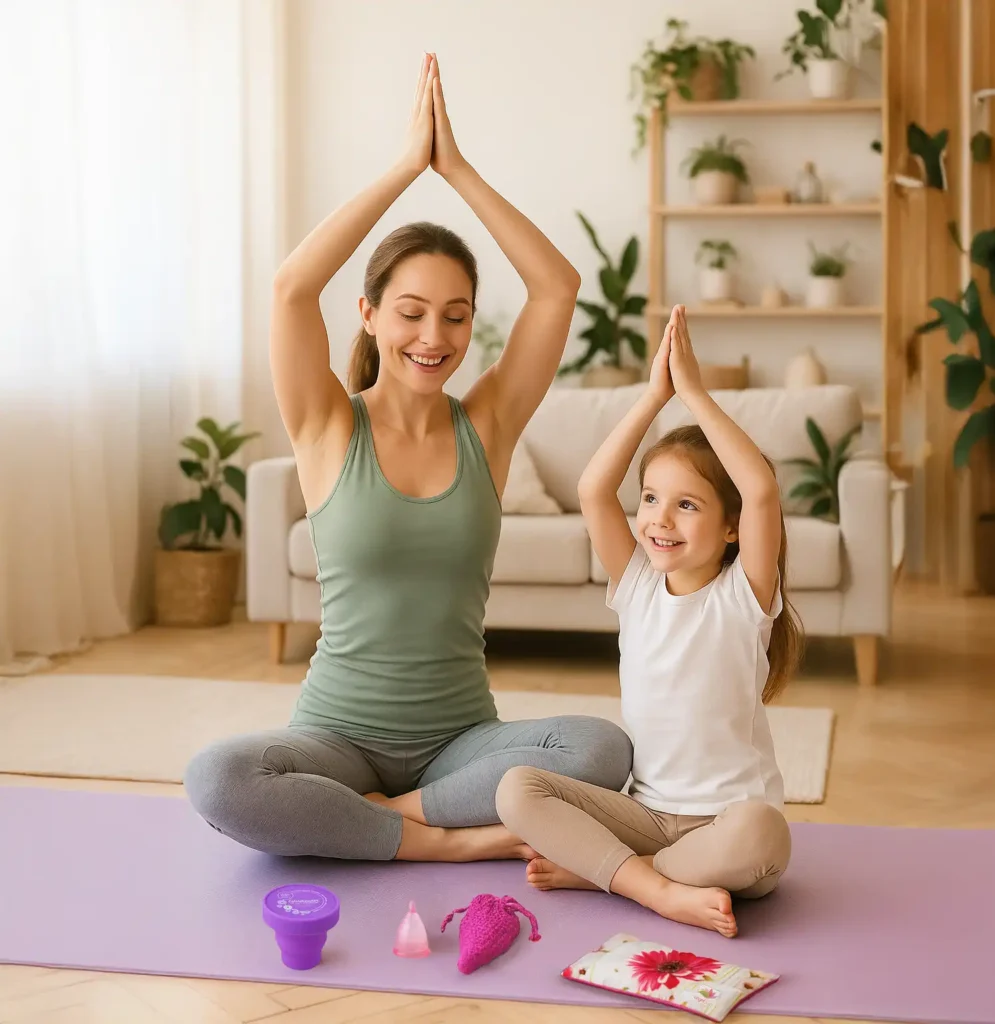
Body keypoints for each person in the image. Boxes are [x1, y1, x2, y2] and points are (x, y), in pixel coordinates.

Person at [182, 53, 632, 863]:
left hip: (460, 743)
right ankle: (451, 844)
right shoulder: (327, 427)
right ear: (369, 313)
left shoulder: (486, 426)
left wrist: (454, 170)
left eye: (455, 317)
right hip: (334, 739)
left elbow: (556, 288)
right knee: (219, 778)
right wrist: (403, 169)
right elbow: (290, 289)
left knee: (601, 749)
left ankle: (383, 819)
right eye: (413, 313)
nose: (434, 338)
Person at [496, 305, 802, 937]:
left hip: (728, 827)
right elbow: (591, 491)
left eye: (686, 505)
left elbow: (763, 491)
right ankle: (658, 887)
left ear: (729, 529)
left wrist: (693, 393)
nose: (660, 518)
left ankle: (612, 875)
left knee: (765, 831)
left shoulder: (743, 595)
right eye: (652, 499)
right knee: (517, 790)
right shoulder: (637, 585)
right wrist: (653, 396)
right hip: (647, 813)